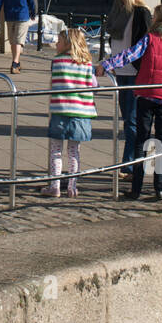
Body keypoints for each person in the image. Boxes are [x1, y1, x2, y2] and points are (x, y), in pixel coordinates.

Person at [96, 2, 162, 200]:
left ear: (158, 18)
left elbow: (129, 54)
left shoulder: (151, 38)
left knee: (142, 141)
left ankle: (136, 188)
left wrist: (107, 64)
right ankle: (160, 187)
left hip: (147, 94)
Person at [104, 0, 153, 175]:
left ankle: (130, 163)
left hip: (134, 71)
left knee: (132, 120)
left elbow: (143, 46)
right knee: (128, 119)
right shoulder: (118, 9)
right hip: (121, 71)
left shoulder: (141, 13)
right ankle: (130, 162)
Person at [42, 27, 98, 198]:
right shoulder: (87, 64)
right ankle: (72, 186)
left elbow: (53, 83)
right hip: (81, 113)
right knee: (74, 151)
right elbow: (93, 85)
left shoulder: (57, 62)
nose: (56, 44)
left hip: (60, 110)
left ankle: (55, 185)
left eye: (58, 41)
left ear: (67, 44)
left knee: (55, 150)